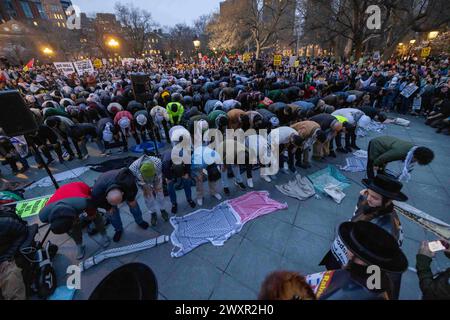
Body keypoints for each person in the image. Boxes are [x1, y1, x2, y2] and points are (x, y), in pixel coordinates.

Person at [317, 221, 408, 300]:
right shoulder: (382, 276)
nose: (347, 249)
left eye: (350, 247)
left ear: (357, 257)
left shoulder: (351, 287)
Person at [39, 182, 110, 260]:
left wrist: (91, 215)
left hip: (79, 187)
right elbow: (62, 223)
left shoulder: (83, 202)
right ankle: (80, 245)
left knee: (95, 216)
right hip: (63, 194)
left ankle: (104, 235)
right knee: (73, 229)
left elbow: (91, 208)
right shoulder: (43, 215)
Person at [91, 168, 149, 242]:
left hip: (121, 183)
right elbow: (98, 202)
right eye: (114, 203)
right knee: (112, 213)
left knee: (134, 205)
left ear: (122, 193)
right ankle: (118, 229)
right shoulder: (97, 192)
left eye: (119, 202)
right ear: (106, 197)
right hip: (106, 183)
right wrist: (108, 207)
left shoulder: (128, 182)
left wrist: (131, 199)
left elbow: (133, 189)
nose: (118, 205)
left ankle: (140, 221)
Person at [367, 136, 435, 181]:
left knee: (383, 163)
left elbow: (387, 159)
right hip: (376, 144)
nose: (415, 162)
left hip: (387, 143)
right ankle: (370, 179)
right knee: (371, 162)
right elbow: (383, 158)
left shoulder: (414, 149)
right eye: (417, 160)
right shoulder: (400, 153)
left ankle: (381, 175)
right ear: (416, 156)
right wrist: (375, 165)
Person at [129, 155, 169, 226]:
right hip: (142, 181)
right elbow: (137, 180)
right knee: (148, 197)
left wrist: (156, 186)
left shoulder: (158, 163)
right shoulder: (133, 168)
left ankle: (163, 210)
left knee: (160, 193)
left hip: (156, 177)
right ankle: (153, 213)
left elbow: (159, 175)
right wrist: (145, 186)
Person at [0, 205, 28, 300]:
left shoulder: (5, 223)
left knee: (11, 277)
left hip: (5, 256)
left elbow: (23, 231)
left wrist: (9, 254)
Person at [161, 150, 196, 214]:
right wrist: (169, 178)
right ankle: (174, 204)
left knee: (187, 181)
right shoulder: (166, 164)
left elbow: (188, 167)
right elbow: (166, 175)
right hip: (169, 172)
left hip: (182, 170)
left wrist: (187, 173)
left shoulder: (186, 158)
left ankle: (189, 199)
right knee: (170, 186)